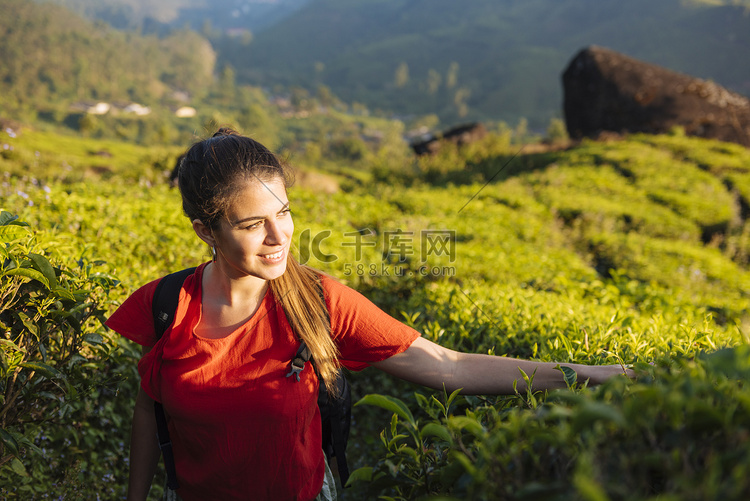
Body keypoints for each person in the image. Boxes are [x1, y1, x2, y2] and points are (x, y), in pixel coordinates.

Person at [106, 128, 633, 501]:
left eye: (284, 213)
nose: (278, 237)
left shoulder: (317, 301)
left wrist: (582, 375)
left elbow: (449, 366)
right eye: (252, 224)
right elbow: (151, 408)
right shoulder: (161, 308)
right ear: (206, 230)